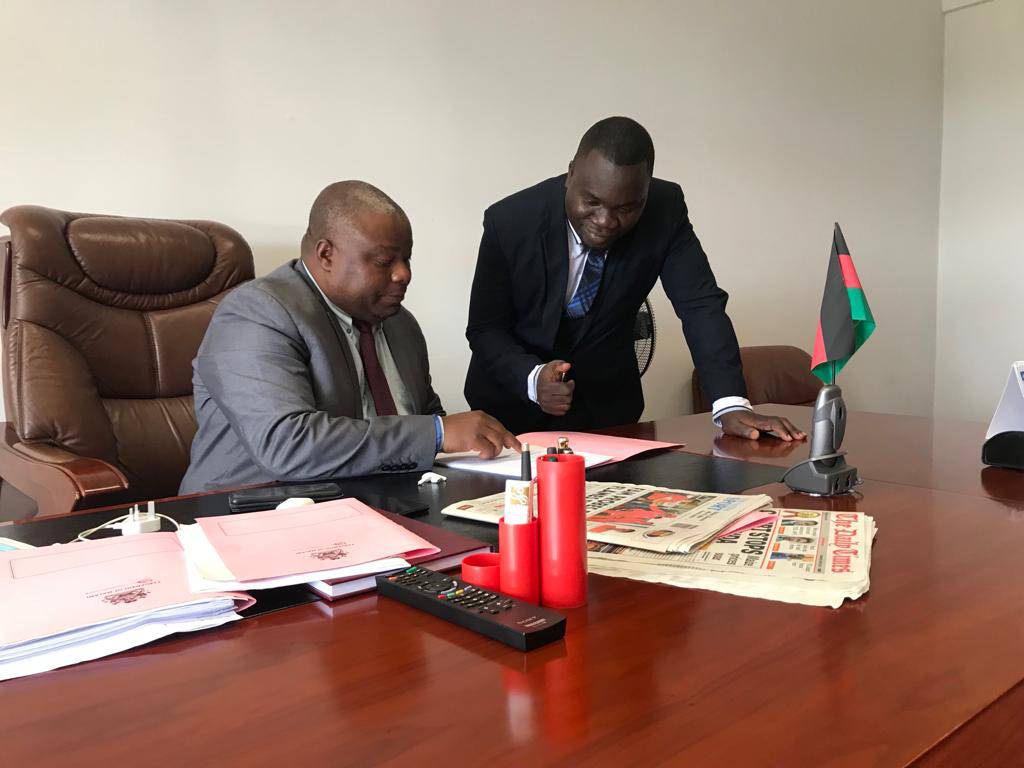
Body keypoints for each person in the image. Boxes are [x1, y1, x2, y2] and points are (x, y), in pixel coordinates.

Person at [464, 117, 806, 441]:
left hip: (609, 414)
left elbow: (700, 305)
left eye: (626, 209)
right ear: (570, 174)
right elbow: (485, 329)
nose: (605, 221)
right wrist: (533, 378)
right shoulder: (509, 222)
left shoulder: (665, 209)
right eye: (592, 201)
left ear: (646, 191)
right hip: (510, 412)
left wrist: (730, 404)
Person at [180, 181, 519, 493]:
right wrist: (438, 433)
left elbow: (427, 418)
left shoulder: (401, 325)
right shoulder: (256, 313)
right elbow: (287, 444)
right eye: (384, 261)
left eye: (406, 259)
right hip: (255, 512)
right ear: (326, 254)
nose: (403, 274)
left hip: (381, 504)